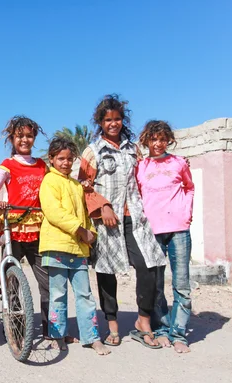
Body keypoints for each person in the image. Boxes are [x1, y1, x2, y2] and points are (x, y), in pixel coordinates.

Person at [78, 94, 166, 349]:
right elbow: (84, 186)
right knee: (107, 271)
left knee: (149, 265)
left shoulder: (133, 149)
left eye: (117, 119)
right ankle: (113, 324)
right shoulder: (92, 152)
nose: (113, 123)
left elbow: (146, 177)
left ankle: (143, 321)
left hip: (134, 217)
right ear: (101, 122)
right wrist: (102, 205)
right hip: (106, 221)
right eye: (108, 120)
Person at [0, 115, 57, 341]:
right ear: (12, 138)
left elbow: (52, 191)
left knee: (47, 282)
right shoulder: (7, 165)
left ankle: (51, 328)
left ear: (34, 138)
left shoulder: (42, 166)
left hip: (38, 230)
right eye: (20, 136)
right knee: (11, 281)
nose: (25, 140)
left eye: (29, 135)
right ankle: (15, 327)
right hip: (13, 230)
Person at [39, 137, 110, 355]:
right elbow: (54, 213)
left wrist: (92, 233)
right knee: (58, 294)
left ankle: (91, 337)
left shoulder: (76, 185)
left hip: (78, 249)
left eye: (70, 159)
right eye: (61, 158)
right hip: (57, 246)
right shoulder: (49, 182)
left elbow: (85, 215)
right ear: (51, 159)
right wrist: (80, 230)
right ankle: (57, 336)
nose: (66, 163)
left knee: (85, 295)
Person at [137, 120, 194, 354]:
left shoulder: (179, 162)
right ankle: (161, 330)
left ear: (168, 140)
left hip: (179, 229)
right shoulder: (140, 166)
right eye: (153, 139)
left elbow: (189, 187)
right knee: (157, 285)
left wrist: (186, 213)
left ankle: (179, 333)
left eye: (162, 139)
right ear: (146, 140)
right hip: (153, 231)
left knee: (182, 284)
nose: (158, 143)